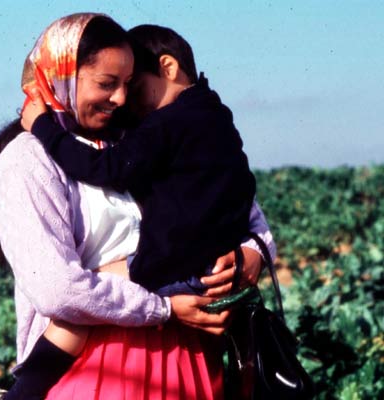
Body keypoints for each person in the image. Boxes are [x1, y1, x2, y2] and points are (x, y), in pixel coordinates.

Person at [0, 13, 275, 400]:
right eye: (107, 84)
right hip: (94, 369)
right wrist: (163, 309)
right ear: (64, 76)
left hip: (191, 358)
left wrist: (253, 251)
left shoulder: (144, 138)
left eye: (128, 86)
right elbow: (57, 289)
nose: (120, 99)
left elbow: (242, 208)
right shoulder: (29, 159)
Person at [23, 24, 256, 296]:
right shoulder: (215, 113)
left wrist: (43, 128)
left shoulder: (166, 123)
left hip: (172, 267)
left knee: (86, 284)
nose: (125, 102)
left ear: (167, 67)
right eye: (109, 84)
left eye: (135, 88)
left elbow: (108, 168)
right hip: (219, 266)